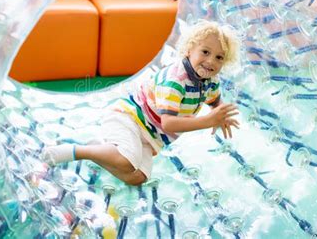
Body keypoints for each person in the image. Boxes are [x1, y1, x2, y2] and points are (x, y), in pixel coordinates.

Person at [42, 20, 241, 186]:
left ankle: (100, 151)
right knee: (126, 162)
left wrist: (219, 113)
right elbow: (169, 123)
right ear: (189, 50)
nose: (211, 62)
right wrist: (208, 121)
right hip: (130, 118)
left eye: (219, 57)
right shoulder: (175, 81)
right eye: (205, 52)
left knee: (137, 178)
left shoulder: (210, 81)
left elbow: (214, 100)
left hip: (151, 136)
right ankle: (76, 151)